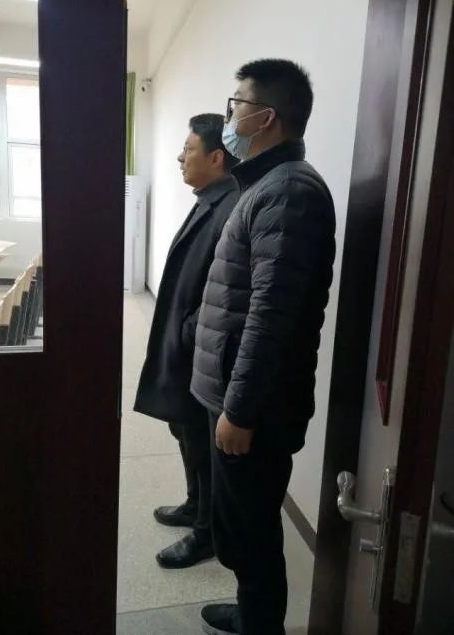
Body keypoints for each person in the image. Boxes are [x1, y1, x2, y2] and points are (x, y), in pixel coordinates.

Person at [190, 60, 336, 635]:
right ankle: (251, 611)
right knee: (242, 523)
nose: (229, 117)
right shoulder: (266, 185)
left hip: (254, 407)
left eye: (236, 105)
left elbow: (271, 319)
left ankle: (261, 624)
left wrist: (240, 410)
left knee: (252, 530)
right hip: (237, 395)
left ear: (265, 116)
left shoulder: (289, 193)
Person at [134, 113, 239, 569]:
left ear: (216, 158)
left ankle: (207, 533)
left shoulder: (231, 207)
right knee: (185, 431)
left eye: (189, 149)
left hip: (203, 355)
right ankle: (195, 504)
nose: (181, 157)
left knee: (202, 443)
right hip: (188, 348)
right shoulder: (209, 199)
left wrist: (188, 330)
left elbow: (230, 294)